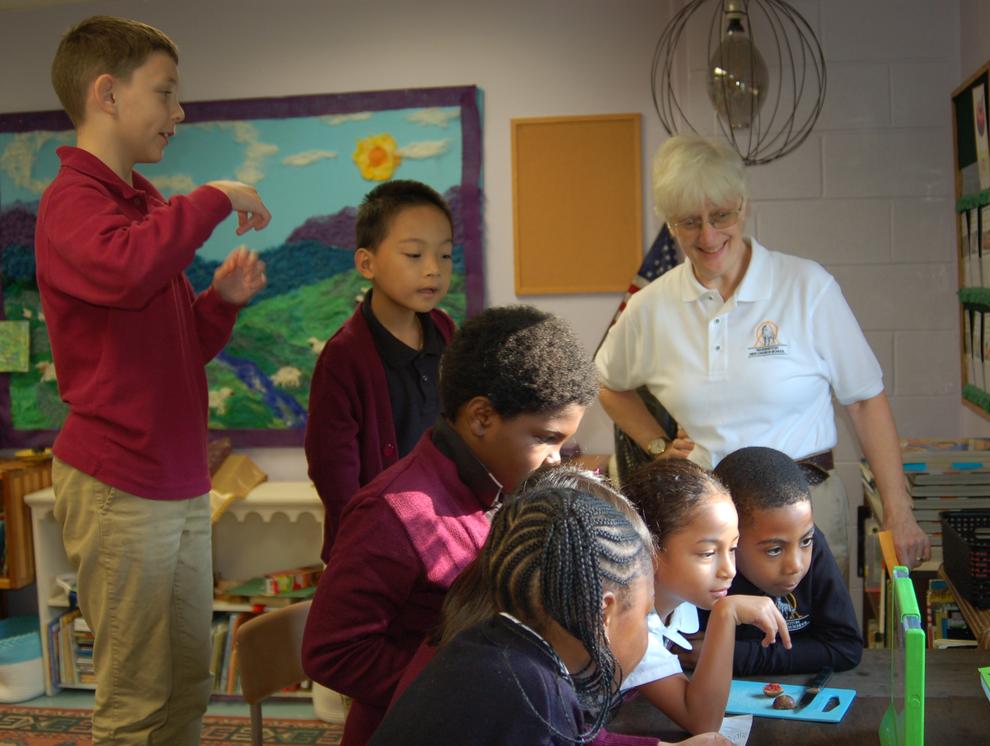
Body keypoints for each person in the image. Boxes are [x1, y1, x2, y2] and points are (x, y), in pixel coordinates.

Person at [37, 15, 271, 744]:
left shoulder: (139, 208)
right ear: (107, 94)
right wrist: (216, 193)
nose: (178, 112)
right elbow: (130, 268)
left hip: (171, 485)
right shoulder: (75, 206)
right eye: (165, 92)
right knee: (136, 700)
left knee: (185, 687)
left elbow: (169, 353)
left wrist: (219, 307)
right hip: (119, 484)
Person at [595, 134, 930, 572]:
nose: (709, 235)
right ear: (670, 224)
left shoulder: (807, 287)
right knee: (715, 641)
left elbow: (865, 401)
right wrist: (657, 445)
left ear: (744, 205)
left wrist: (899, 513)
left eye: (721, 215)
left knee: (812, 640)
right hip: (707, 524)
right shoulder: (650, 307)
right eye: (689, 222)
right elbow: (607, 384)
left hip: (803, 514)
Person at [302, 305, 600, 745]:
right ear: (481, 418)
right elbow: (331, 653)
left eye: (564, 443)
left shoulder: (505, 486)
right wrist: (469, 687)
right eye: (546, 438)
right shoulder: (393, 513)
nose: (556, 458)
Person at [387, 464, 728, 746]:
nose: (648, 628)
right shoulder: (525, 690)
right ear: (604, 613)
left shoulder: (507, 653)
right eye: (644, 614)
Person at [305, 179, 456, 563]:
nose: (433, 271)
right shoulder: (344, 357)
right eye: (414, 255)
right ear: (366, 263)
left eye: (445, 256)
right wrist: (367, 546)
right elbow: (332, 471)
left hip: (445, 539)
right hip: (375, 549)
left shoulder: (446, 332)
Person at [619, 458, 790, 734]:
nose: (729, 570)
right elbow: (703, 721)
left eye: (733, 548)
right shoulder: (628, 623)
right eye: (708, 553)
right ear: (649, 548)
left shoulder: (680, 601)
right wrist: (726, 615)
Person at [703, 446, 863, 676]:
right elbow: (682, 653)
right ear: (730, 540)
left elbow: (846, 648)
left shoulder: (813, 543)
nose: (796, 565)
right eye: (775, 550)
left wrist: (730, 655)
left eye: (805, 541)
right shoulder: (701, 569)